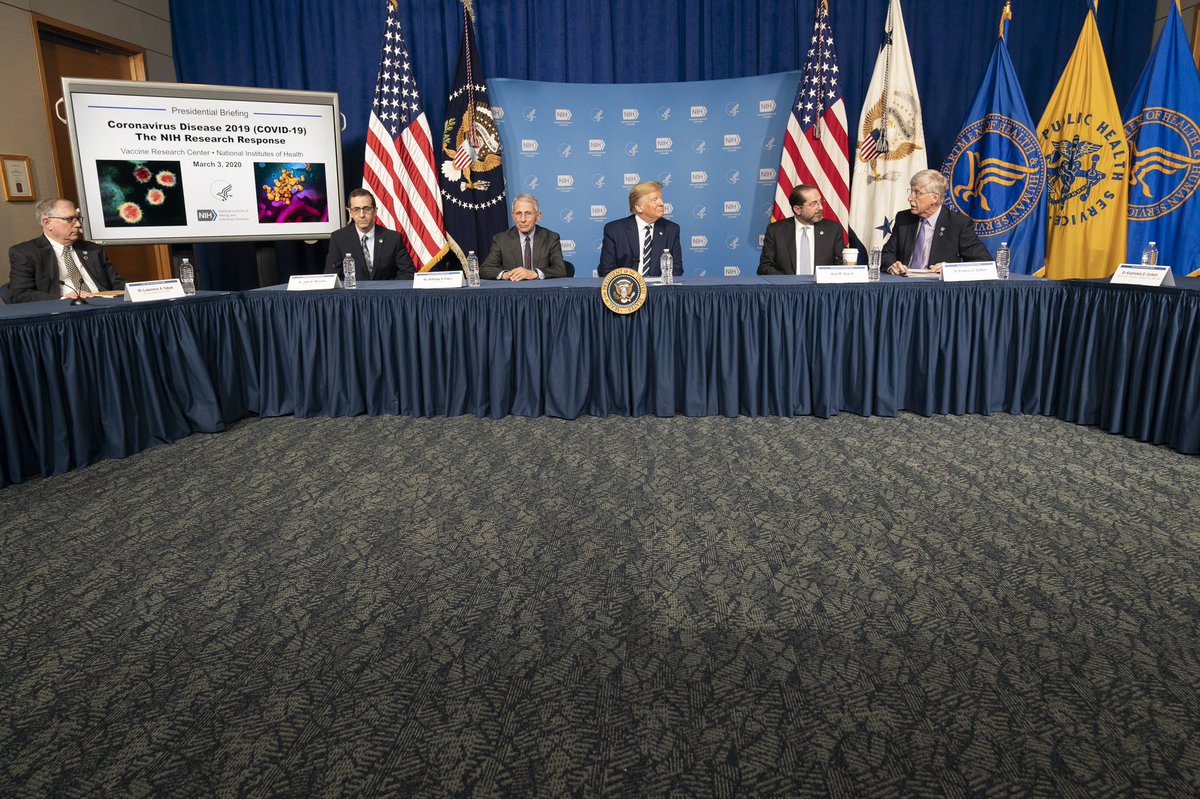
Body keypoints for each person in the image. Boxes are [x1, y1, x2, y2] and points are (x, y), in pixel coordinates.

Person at [7, 198, 126, 303]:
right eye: (70, 219)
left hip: (104, 306)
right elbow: (19, 294)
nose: (78, 224)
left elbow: (117, 284)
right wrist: (62, 299)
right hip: (63, 310)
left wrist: (135, 290)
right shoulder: (25, 253)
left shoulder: (93, 249)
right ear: (48, 223)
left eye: (78, 218)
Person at [881, 169, 991, 275]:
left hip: (936, 284)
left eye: (917, 193)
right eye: (911, 192)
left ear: (935, 197)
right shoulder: (904, 218)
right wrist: (892, 265)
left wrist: (950, 269)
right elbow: (887, 254)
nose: (910, 198)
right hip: (904, 282)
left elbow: (984, 261)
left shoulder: (958, 223)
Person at [325, 188, 416, 281]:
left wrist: (389, 289)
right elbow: (332, 277)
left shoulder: (393, 238)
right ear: (350, 213)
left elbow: (408, 274)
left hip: (387, 290)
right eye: (356, 210)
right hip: (353, 290)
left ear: (375, 211)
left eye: (367, 209)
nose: (362, 215)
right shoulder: (339, 238)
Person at [598, 181, 683, 277]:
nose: (661, 203)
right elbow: (606, 270)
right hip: (625, 285)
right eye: (654, 200)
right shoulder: (615, 230)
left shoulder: (671, 229)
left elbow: (676, 269)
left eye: (661, 198)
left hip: (658, 286)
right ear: (639, 207)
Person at [757, 185, 845, 275]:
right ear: (797, 209)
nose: (820, 208)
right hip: (787, 284)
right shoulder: (776, 231)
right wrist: (789, 281)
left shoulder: (833, 229)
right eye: (814, 204)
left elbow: (841, 265)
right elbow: (765, 267)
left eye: (820, 202)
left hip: (822, 284)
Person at [480, 194, 567, 280]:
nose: (523, 219)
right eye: (518, 213)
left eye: (528, 213)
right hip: (513, 287)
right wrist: (506, 275)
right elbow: (485, 269)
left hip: (541, 288)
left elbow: (560, 269)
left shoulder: (551, 238)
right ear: (513, 216)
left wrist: (534, 273)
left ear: (538, 216)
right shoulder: (501, 240)